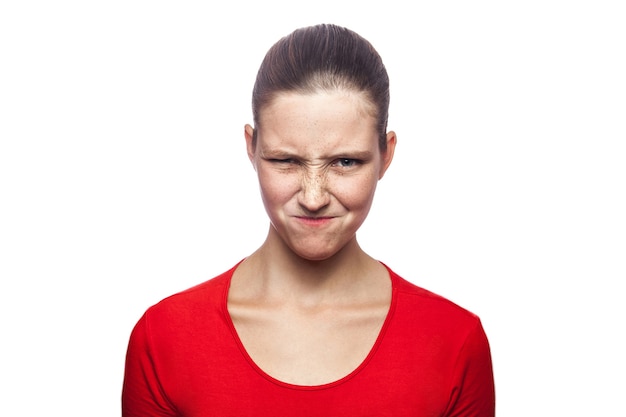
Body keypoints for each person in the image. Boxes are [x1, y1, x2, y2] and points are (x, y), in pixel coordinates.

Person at [122, 23, 495, 416]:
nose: (313, 197)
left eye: (345, 162)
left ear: (386, 155)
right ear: (252, 148)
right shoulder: (166, 339)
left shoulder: (453, 342)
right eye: (286, 161)